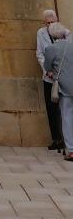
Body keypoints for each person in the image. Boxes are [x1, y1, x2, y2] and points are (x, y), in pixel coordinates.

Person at [43, 23, 73, 162]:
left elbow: (47, 67)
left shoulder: (51, 48)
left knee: (67, 116)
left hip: (64, 87)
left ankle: (71, 150)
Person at [36, 9, 63, 151]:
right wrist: (48, 71)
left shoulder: (64, 33)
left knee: (64, 109)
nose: (50, 25)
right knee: (51, 109)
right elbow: (40, 53)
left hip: (62, 77)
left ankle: (66, 138)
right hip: (48, 77)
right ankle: (56, 138)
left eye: (52, 22)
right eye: (48, 23)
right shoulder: (40, 34)